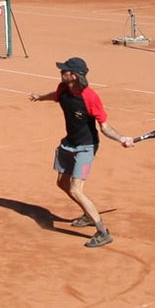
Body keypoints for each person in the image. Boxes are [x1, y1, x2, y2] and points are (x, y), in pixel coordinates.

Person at [29, 57, 134, 248]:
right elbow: (55, 95)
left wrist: (121, 138)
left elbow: (104, 126)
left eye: (65, 71)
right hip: (69, 144)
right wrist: (40, 97)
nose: (61, 72)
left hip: (86, 146)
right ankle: (88, 214)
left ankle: (103, 232)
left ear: (75, 76)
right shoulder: (63, 88)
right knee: (62, 183)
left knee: (76, 189)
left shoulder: (90, 97)